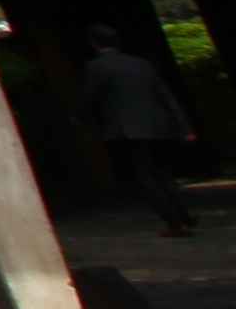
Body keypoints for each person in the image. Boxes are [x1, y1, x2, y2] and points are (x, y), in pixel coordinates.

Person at [78, 21, 201, 238]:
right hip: (158, 125)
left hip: (128, 129)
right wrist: (184, 126)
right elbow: (166, 96)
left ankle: (173, 222)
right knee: (164, 173)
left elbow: (90, 99)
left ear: (94, 44)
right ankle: (183, 215)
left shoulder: (96, 67)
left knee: (146, 176)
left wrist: (83, 121)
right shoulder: (141, 64)